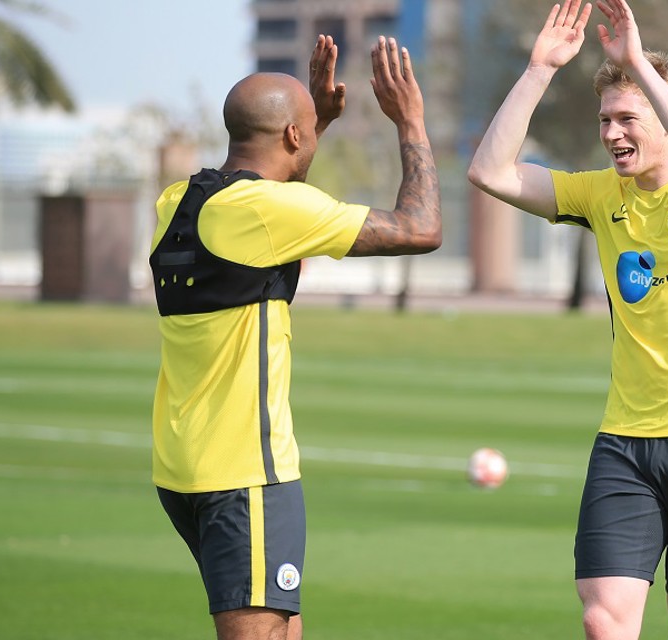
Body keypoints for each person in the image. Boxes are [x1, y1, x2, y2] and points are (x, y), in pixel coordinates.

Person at [467, 1, 668, 638]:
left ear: (665, 119)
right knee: (604, 620)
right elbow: (489, 171)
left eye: (627, 118)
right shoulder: (602, 196)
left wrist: (635, 61)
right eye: (605, 120)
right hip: (625, 442)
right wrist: (539, 70)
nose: (611, 133)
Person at [149, 34, 440, 640]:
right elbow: (421, 227)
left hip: (183, 470)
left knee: (284, 629)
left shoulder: (177, 201)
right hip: (245, 474)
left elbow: (269, 222)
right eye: (304, 129)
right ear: (290, 138)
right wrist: (409, 120)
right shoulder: (263, 212)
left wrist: (312, 122)